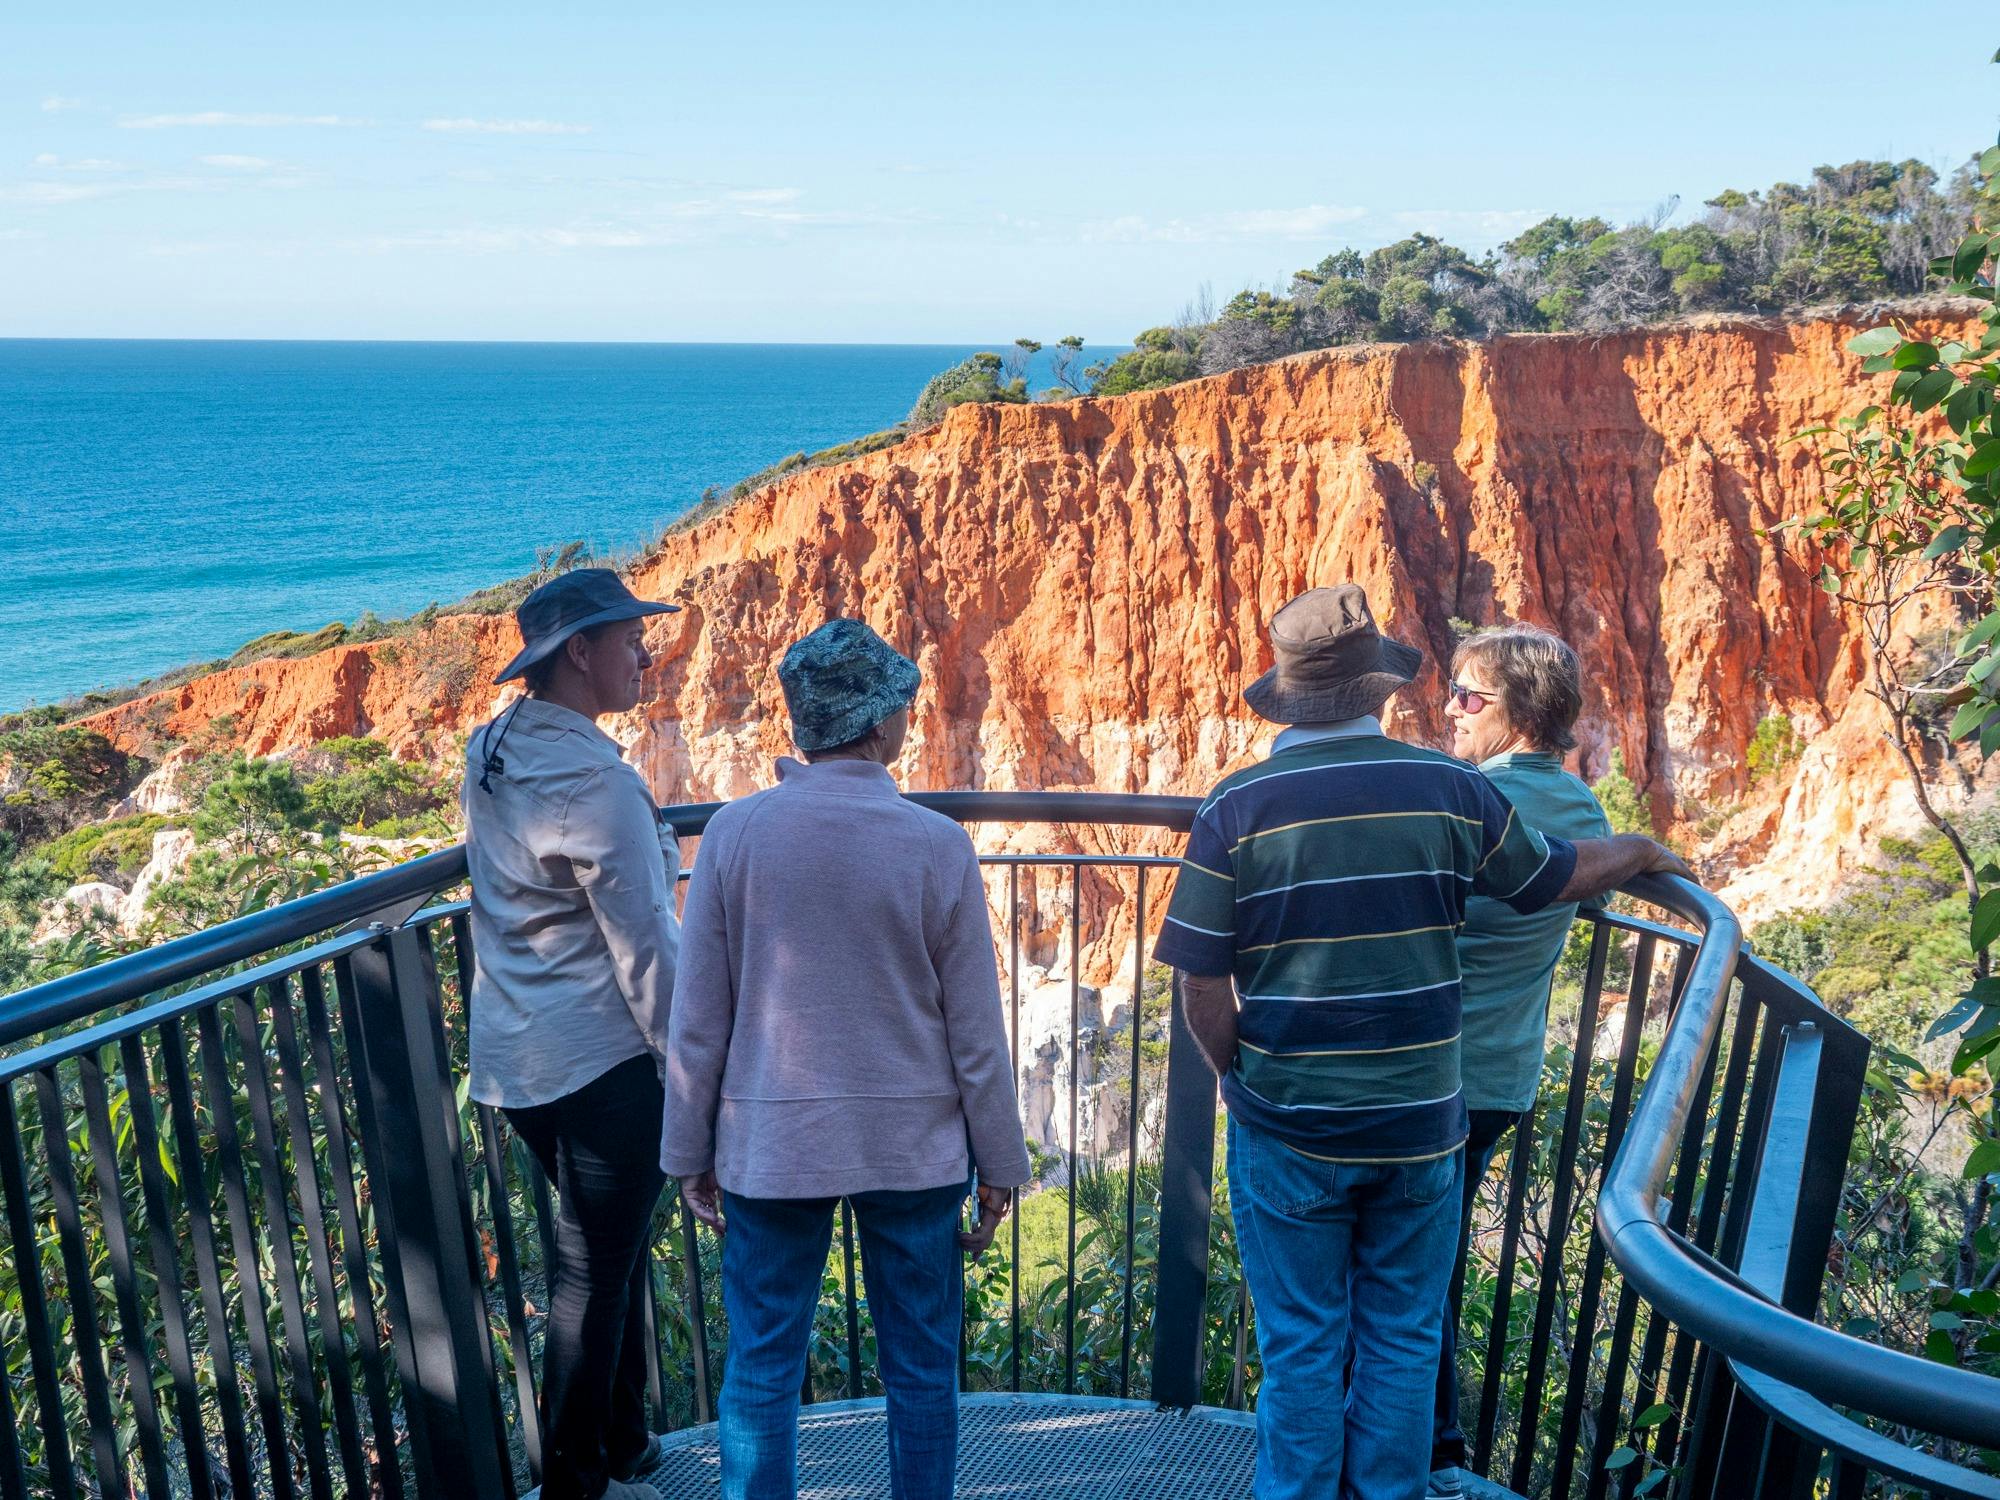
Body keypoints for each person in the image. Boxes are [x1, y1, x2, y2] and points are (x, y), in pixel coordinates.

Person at [1154, 585, 1692, 1500]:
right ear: (1379, 691)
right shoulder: (1449, 790)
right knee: (1404, 1340)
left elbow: (1200, 976)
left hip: (1289, 1120)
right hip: (1422, 1121)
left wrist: (1242, 1073)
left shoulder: (1234, 804)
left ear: (1289, 694)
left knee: (1303, 1348)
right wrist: (1638, 848)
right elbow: (1550, 878)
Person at [661, 618, 1032, 1500]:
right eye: (902, 703)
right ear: (877, 724)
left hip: (771, 1145)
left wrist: (688, 1153)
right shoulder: (936, 845)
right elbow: (974, 1034)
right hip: (913, 1147)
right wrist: (1001, 1165)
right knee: (921, 1373)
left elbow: (699, 1018)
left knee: (760, 1371)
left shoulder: (733, 836)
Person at [461, 567, 684, 1500]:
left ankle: (626, 1438)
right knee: (589, 1276)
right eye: (629, 637)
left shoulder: (492, 744)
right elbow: (648, 956)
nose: (646, 650)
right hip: (603, 1068)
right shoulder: (599, 784)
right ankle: (571, 1478)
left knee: (608, 1253)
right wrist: (692, 1077)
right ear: (578, 654)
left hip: (517, 1059)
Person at [1427, 626, 1614, 1499]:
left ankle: (1430, 1457)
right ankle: (1434, 1452)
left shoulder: (1466, 803)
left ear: (1526, 713)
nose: (1450, 709)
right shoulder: (1582, 811)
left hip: (1428, 1073)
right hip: (1497, 1077)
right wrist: (1644, 852)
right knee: (1433, 1265)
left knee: (1405, 1278)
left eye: (1471, 695)